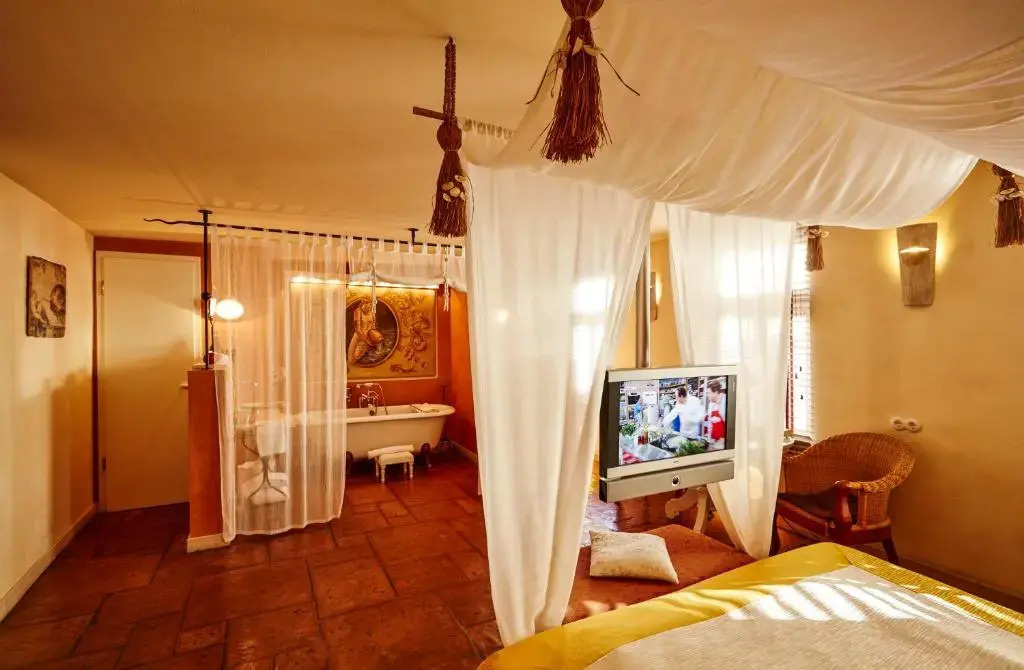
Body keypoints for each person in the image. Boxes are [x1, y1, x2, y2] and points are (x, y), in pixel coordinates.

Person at [706, 380, 727, 450]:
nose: (707, 395)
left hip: (723, 443)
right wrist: (709, 439)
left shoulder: (725, 400)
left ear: (715, 392)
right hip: (713, 441)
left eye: (708, 393)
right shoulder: (711, 404)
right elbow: (710, 423)